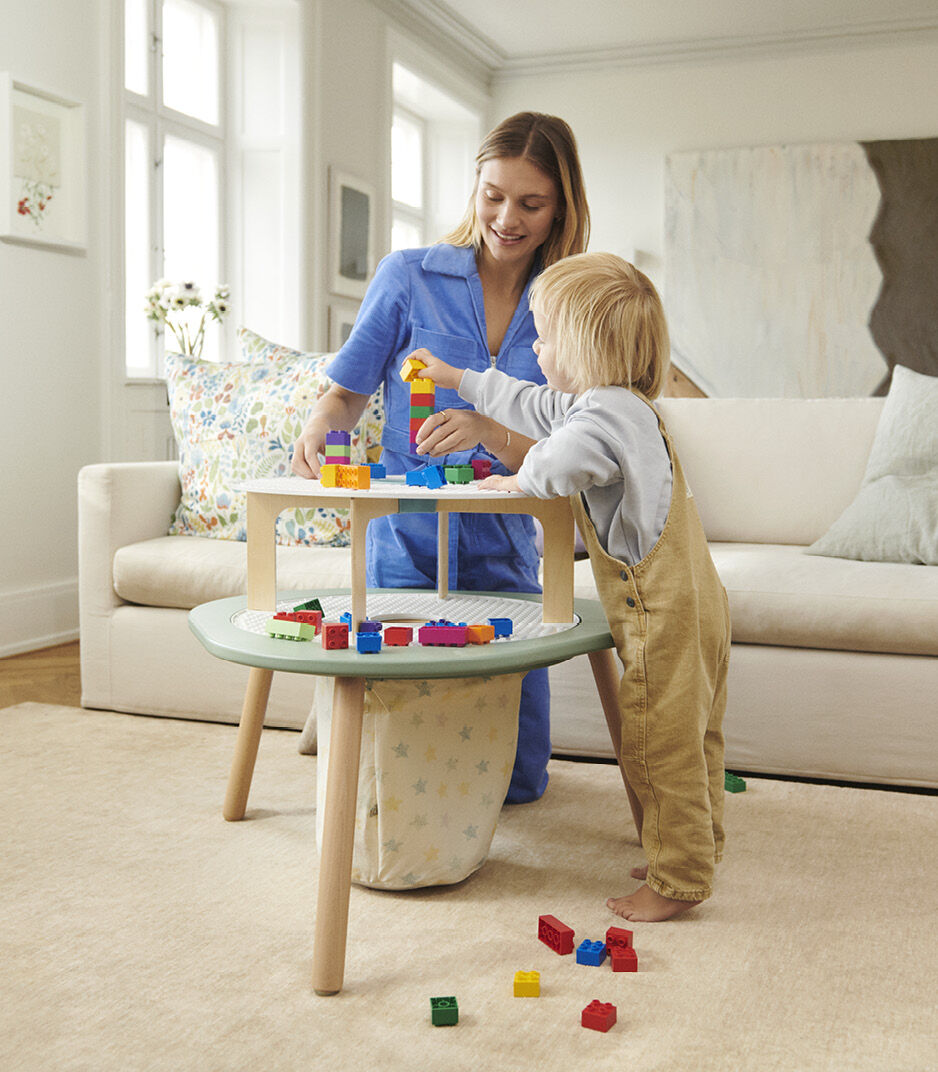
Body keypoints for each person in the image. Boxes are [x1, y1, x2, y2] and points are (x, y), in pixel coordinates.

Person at [413, 252, 731, 921]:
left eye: (547, 337)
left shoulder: (599, 422)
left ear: (585, 348)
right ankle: (696, 845)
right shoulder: (622, 405)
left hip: (662, 611)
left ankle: (677, 880)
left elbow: (558, 459)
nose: (537, 346)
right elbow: (536, 405)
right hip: (702, 600)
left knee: (656, 741)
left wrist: (518, 481)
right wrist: (462, 379)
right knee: (695, 734)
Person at [292, 112, 590, 804]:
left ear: (561, 207)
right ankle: (337, 716)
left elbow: (569, 441)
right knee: (394, 774)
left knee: (518, 785)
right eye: (493, 195)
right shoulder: (408, 277)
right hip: (403, 544)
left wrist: (487, 427)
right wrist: (318, 426)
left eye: (530, 202)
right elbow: (344, 396)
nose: (506, 218)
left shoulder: (570, 303)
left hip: (507, 556)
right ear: (475, 188)